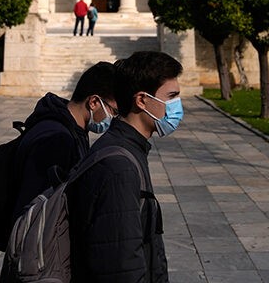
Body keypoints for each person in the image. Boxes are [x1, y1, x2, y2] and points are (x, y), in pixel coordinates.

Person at [67, 51, 184, 282]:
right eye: (171, 97)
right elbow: (121, 265)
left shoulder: (129, 149)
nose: (177, 106)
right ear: (141, 100)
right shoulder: (119, 167)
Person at [9, 62, 118, 222]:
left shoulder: (73, 129)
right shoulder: (57, 139)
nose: (114, 118)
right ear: (93, 102)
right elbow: (35, 207)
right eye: (114, 111)